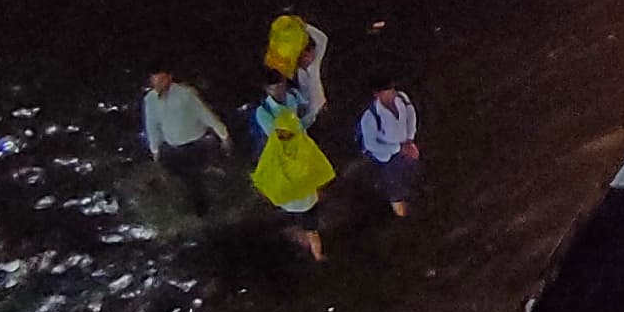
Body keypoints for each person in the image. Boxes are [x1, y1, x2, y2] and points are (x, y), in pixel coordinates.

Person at [249, 79, 335, 261]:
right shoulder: (265, 115)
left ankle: (315, 253)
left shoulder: (292, 101)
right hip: (297, 201)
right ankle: (314, 253)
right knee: (309, 226)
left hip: (298, 201)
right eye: (274, 86)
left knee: (310, 226)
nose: (279, 89)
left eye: (281, 84)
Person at [141, 70, 236, 213]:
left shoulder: (185, 94)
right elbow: (152, 125)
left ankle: (212, 205)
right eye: (155, 81)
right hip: (174, 147)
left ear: (169, 78)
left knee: (199, 177)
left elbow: (205, 114)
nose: (158, 84)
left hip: (196, 144)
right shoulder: (150, 100)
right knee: (184, 181)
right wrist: (154, 149)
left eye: (161, 80)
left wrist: (223, 134)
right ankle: (194, 208)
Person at [355, 79, 421, 219]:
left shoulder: (402, 98)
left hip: (406, 152)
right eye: (387, 92)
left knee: (412, 178)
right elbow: (371, 144)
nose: (391, 95)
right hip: (387, 160)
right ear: (377, 95)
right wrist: (398, 148)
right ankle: (401, 215)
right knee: (395, 189)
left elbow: (411, 116)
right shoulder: (370, 117)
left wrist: (409, 140)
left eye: (392, 90)